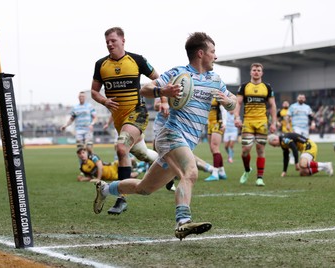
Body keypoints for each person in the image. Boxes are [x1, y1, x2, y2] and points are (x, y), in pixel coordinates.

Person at [93, 32, 237, 240]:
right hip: (170, 134)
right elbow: (145, 89)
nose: (215, 56)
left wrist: (227, 101)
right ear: (200, 53)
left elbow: (233, 103)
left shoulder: (215, 80)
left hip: (188, 141)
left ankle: (105, 189)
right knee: (190, 172)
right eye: (212, 51)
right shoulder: (179, 73)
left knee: (144, 188)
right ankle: (183, 221)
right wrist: (164, 92)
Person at [91, 27, 159, 215]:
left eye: (113, 40)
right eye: (107, 42)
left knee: (121, 149)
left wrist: (162, 99)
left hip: (138, 113)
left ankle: (122, 199)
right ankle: (167, 167)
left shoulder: (136, 60)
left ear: (123, 41)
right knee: (142, 154)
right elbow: (94, 91)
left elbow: (157, 79)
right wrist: (104, 100)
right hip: (120, 121)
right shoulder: (101, 65)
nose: (110, 44)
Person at [153, 97, 218, 186]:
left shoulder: (186, 87)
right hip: (161, 124)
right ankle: (173, 176)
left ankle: (209, 169)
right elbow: (156, 106)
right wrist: (164, 104)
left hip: (176, 125)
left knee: (179, 153)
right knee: (160, 151)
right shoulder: (163, 87)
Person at [233, 63, 277, 187]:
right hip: (248, 122)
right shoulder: (244, 87)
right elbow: (238, 103)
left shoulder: (267, 87)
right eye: (254, 70)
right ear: (251, 72)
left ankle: (259, 178)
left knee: (260, 149)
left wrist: (274, 122)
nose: (256, 72)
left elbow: (273, 106)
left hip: (262, 122)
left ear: (262, 73)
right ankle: (247, 170)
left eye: (258, 70)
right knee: (245, 150)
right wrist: (236, 117)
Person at [267, 133, 333, 177]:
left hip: (308, 145)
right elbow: (286, 157)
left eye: (273, 144)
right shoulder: (283, 143)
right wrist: (284, 171)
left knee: (302, 164)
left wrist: (296, 163)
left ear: (275, 140)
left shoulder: (284, 139)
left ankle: (326, 164)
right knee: (303, 173)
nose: (274, 146)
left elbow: (294, 149)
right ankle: (323, 167)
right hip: (305, 149)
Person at [76, 148, 142, 182]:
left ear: (86, 153)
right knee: (131, 176)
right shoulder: (82, 167)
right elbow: (90, 177)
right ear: (78, 155)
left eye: (83, 152)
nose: (82, 155)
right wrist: (83, 179)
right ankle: (140, 170)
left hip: (112, 166)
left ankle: (135, 164)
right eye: (80, 154)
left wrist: (98, 178)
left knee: (126, 160)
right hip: (111, 176)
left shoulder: (93, 157)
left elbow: (100, 166)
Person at [204, 97, 228, 181]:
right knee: (212, 148)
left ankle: (215, 174)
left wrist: (224, 123)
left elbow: (223, 109)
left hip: (218, 123)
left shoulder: (217, 96)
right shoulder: (206, 97)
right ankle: (222, 172)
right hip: (210, 124)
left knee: (215, 147)